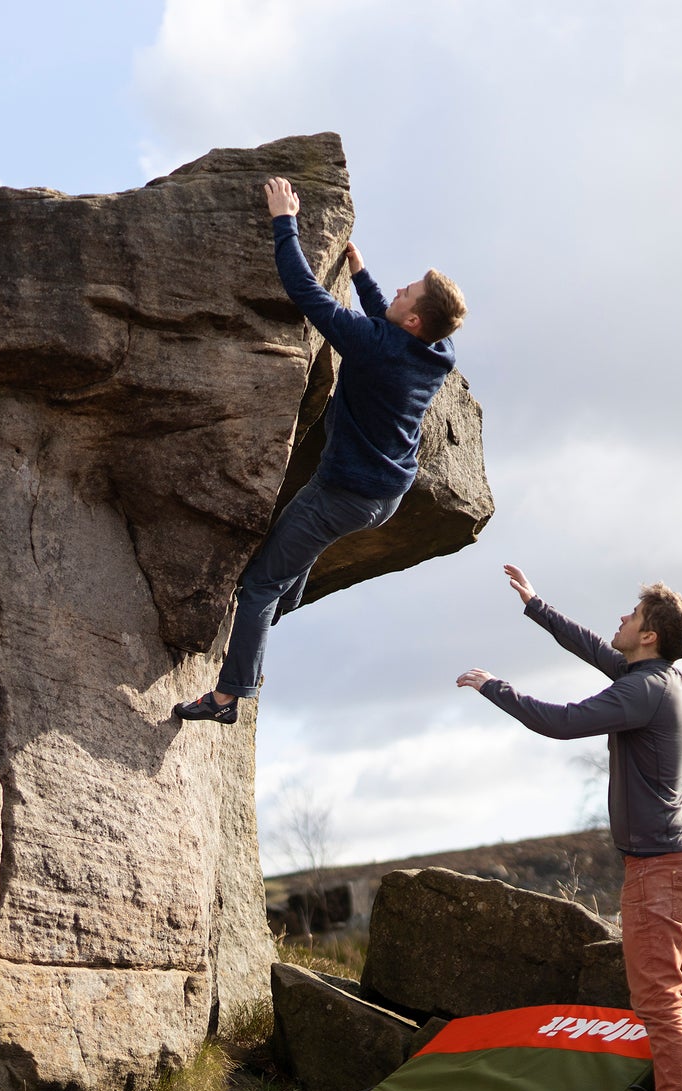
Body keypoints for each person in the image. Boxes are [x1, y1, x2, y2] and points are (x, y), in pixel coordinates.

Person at [456, 565, 682, 1091]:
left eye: (630, 617)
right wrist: (537, 606)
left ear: (650, 636)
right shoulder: (657, 681)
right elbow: (594, 648)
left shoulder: (644, 691)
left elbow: (559, 722)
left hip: (659, 873)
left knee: (659, 1001)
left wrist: (494, 687)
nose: (620, 621)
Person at [173, 176, 466, 724]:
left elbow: (307, 295)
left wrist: (284, 222)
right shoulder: (438, 351)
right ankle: (268, 624)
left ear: (413, 320)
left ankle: (229, 695)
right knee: (299, 546)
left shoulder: (377, 345)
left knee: (259, 584)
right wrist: (363, 275)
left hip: (346, 491)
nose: (397, 290)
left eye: (406, 291)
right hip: (382, 495)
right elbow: (394, 321)